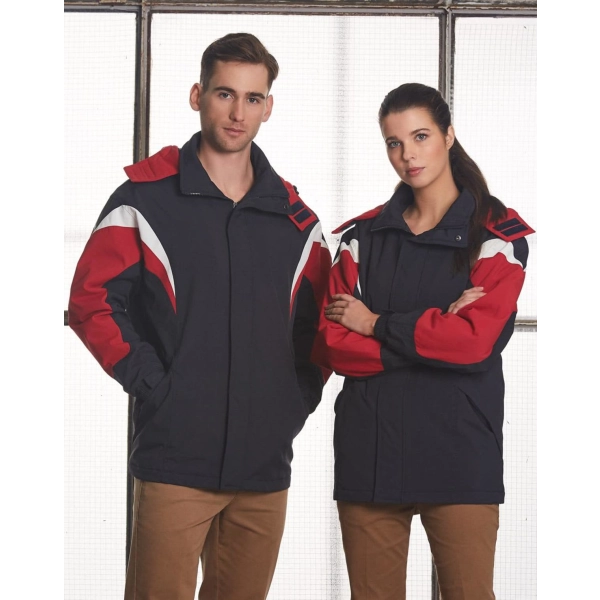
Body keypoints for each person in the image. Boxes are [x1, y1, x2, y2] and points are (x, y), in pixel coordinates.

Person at [68, 32, 332, 600]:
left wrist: (294, 400)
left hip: (263, 467)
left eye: (253, 98)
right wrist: (156, 387)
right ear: (197, 95)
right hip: (175, 458)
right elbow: (91, 301)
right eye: (224, 94)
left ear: (268, 107)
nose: (238, 113)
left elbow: (320, 329)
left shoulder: (297, 221)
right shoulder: (144, 202)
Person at [311, 82, 535, 600]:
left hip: (460, 454)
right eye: (393, 142)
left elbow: (474, 343)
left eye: (420, 136)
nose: (407, 155)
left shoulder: (497, 237)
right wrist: (436, 334)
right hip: (369, 455)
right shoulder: (360, 238)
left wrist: (375, 323)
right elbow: (331, 342)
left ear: (448, 136)